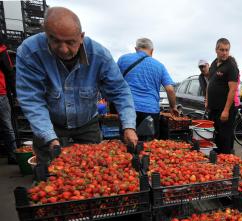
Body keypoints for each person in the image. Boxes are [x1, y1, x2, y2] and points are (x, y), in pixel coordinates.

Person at [16, 7, 138, 163]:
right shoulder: (29, 52)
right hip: (49, 123)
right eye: (55, 41)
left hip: (87, 123)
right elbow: (32, 100)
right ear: (46, 34)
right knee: (50, 171)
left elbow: (120, 91)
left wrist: (129, 126)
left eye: (70, 42)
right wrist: (49, 138)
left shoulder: (99, 55)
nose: (63, 49)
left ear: (81, 37)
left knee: (95, 168)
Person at [117, 38, 178, 139]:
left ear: (136, 49)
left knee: (126, 144)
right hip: (150, 111)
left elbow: (113, 81)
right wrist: (173, 107)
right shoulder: (159, 66)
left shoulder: (123, 59)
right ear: (152, 50)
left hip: (128, 109)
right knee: (148, 147)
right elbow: (170, 89)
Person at [205, 38, 239, 154]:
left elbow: (233, 90)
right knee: (214, 138)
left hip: (225, 110)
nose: (224, 53)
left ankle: (226, 164)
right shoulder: (214, 63)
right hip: (213, 109)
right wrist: (207, 101)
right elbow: (209, 84)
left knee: (225, 140)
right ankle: (216, 164)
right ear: (216, 50)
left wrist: (226, 110)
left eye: (227, 50)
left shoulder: (231, 66)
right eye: (222, 50)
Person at [0, 40, 17, 164]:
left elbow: (9, 73)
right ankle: (13, 154)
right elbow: (10, 72)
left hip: (1, 93)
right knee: (7, 125)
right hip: (1, 93)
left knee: (6, 126)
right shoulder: (1, 50)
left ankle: (13, 154)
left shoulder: (2, 51)